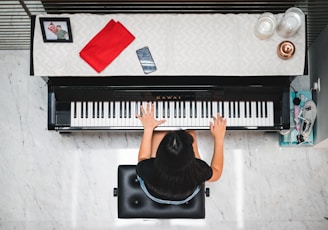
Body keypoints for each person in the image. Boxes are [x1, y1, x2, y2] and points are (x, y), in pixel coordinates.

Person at [135, 102, 227, 204]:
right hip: (184, 197)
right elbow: (217, 173)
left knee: (159, 131)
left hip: (155, 193)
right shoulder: (198, 171)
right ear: (191, 157)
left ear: (159, 155)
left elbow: (142, 159)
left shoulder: (147, 170)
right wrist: (219, 138)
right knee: (190, 132)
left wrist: (148, 128)